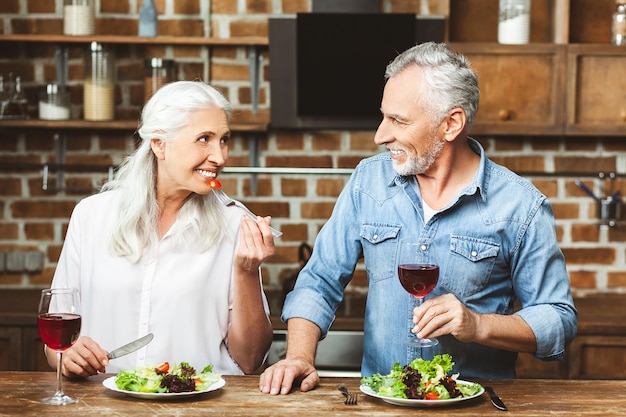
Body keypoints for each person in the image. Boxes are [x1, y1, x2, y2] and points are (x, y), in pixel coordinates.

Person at [259, 42, 577, 395]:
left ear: (451, 124)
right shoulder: (368, 182)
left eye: (398, 120)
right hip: (384, 402)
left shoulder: (520, 206)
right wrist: (300, 356)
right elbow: (319, 280)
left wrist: (478, 325)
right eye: (383, 116)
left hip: (474, 407)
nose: (380, 135)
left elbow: (559, 320)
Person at [46, 80, 275, 378]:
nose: (220, 157)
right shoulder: (91, 216)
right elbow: (55, 342)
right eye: (204, 139)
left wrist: (246, 271)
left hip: (201, 407)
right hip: (105, 405)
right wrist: (66, 355)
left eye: (224, 139)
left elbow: (251, 359)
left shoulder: (237, 225)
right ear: (158, 143)